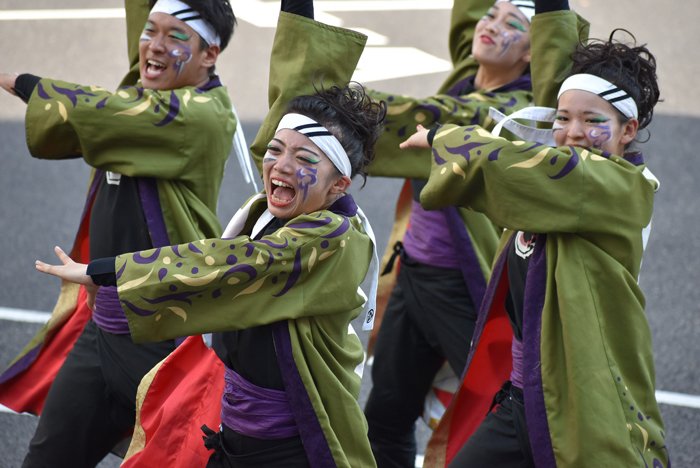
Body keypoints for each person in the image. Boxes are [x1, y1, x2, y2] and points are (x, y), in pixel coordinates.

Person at [36, 4, 385, 467]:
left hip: (291, 444)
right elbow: (297, 98)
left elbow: (229, 265)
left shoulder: (330, 238)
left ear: (339, 183)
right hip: (224, 422)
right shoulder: (273, 205)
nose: (280, 165)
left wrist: (107, 271)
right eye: (275, 150)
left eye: (304, 160)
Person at [401, 1, 668, 466]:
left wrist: (444, 138)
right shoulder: (553, 180)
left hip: (584, 404)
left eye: (592, 121)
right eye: (563, 119)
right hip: (523, 399)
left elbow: (533, 166)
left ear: (629, 130)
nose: (573, 132)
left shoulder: (617, 187)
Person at [0, 0, 237, 466]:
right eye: (150, 31)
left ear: (209, 54)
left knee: (176, 459)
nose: (154, 45)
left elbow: (101, 111)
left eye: (175, 37)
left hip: (165, 336)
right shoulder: (148, 91)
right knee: (47, 460)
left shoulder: (199, 115)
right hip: (102, 329)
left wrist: (15, 80)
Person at [359, 1, 541, 466]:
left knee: (496, 419)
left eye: (512, 25)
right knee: (383, 418)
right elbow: (469, 14)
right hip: (413, 278)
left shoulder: (515, 112)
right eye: (490, 15)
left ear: (532, 55)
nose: (490, 26)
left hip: (463, 291)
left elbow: (444, 115)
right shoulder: (468, 74)